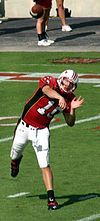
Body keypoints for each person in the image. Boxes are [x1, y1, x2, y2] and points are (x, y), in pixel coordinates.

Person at [10, 69, 84, 210]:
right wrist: (59, 98)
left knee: (45, 164)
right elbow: (46, 90)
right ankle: (15, 161)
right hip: (24, 126)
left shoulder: (69, 98)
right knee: (15, 153)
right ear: (62, 78)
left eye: (71, 83)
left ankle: (51, 198)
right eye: (66, 80)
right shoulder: (50, 81)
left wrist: (72, 109)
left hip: (41, 131)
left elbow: (70, 122)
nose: (68, 84)